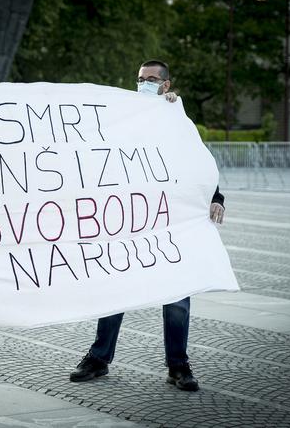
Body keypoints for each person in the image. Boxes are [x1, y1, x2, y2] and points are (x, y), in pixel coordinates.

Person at [69, 60, 225, 392]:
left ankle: (178, 366)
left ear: (167, 86)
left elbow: (198, 162)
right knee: (116, 289)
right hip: (130, 219)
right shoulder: (124, 116)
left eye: (152, 79)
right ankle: (98, 358)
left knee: (177, 296)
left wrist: (216, 195)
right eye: (140, 79)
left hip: (171, 221)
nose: (144, 84)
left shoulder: (177, 119)